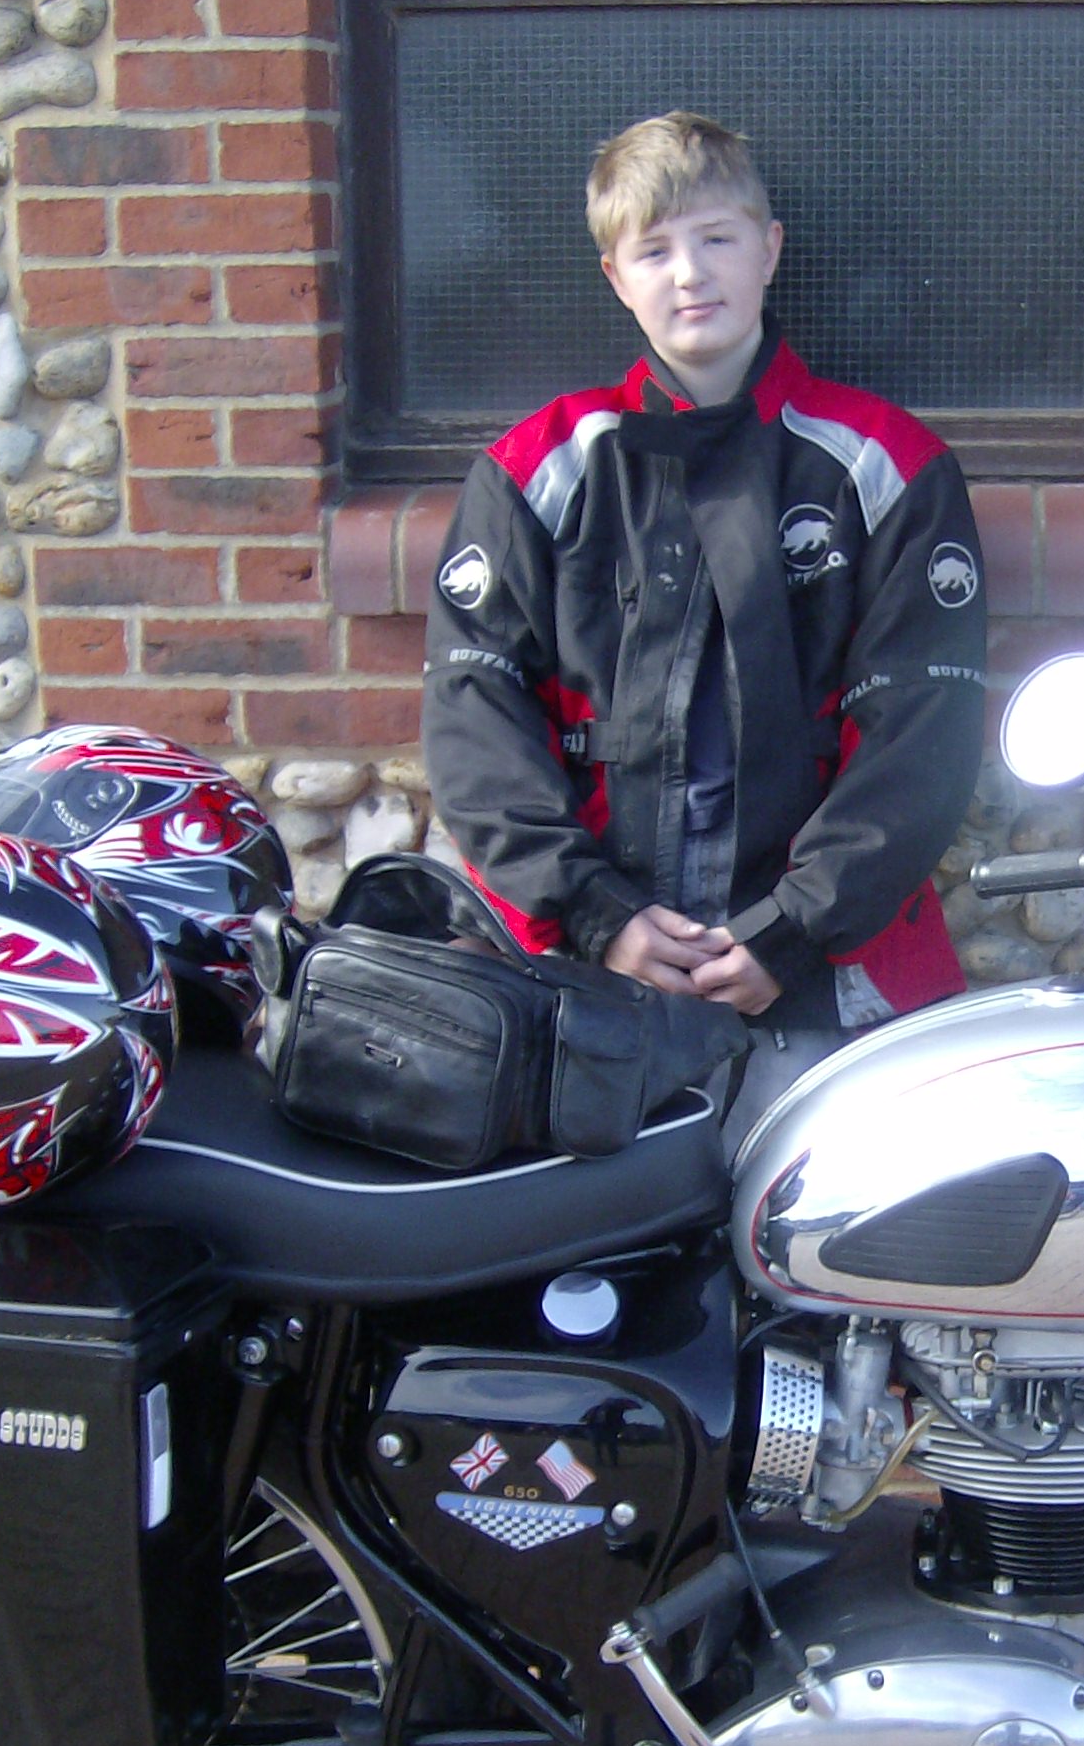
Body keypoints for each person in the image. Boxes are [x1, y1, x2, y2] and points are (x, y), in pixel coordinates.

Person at [421, 111, 987, 1052]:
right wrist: (596, 914)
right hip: (583, 970)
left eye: (717, 239)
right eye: (654, 250)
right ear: (615, 278)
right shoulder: (537, 471)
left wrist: (793, 929)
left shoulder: (890, 467)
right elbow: (475, 720)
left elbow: (922, 737)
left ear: (769, 251)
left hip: (832, 981)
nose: (690, 273)